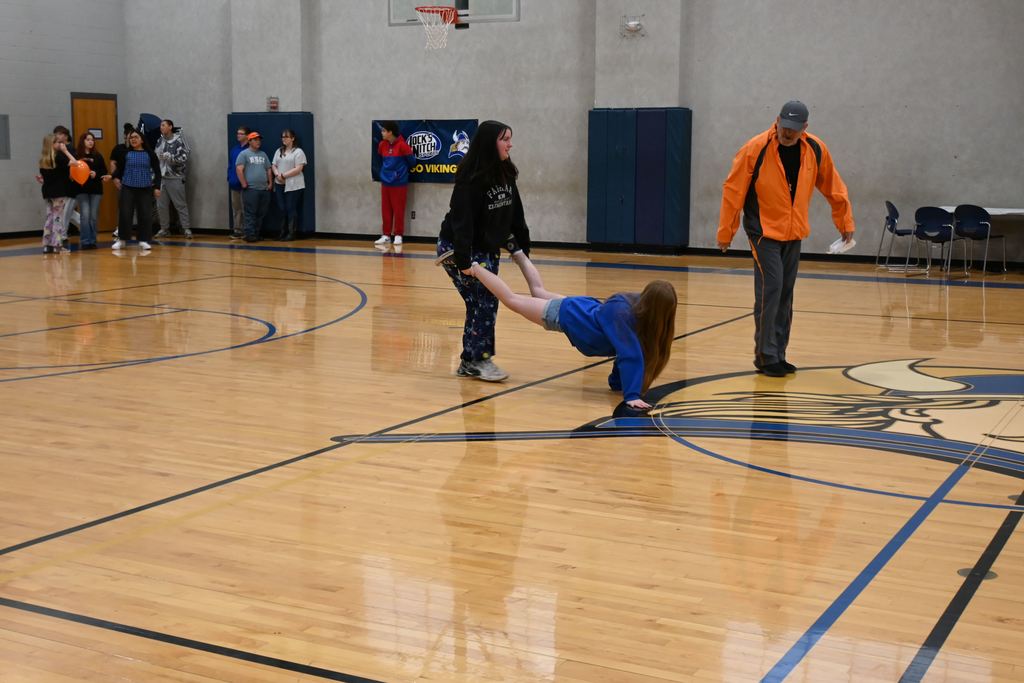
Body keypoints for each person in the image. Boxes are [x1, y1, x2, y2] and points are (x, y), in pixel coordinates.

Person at [717, 100, 855, 377]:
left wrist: (845, 223)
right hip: (762, 231)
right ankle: (765, 356)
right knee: (772, 288)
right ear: (777, 120)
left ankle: (779, 353)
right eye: (784, 126)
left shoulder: (814, 149)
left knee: (786, 292)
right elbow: (733, 191)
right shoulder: (755, 149)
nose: (787, 133)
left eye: (794, 129)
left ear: (804, 128)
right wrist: (726, 232)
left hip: (794, 232)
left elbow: (834, 188)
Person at [462, 254, 677, 410]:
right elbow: (631, 355)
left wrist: (617, 384)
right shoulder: (622, 313)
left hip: (581, 309)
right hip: (565, 314)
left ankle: (517, 251)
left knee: (538, 291)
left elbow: (625, 352)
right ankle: (473, 267)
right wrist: (630, 395)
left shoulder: (637, 314)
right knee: (512, 300)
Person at [435, 120, 532, 382]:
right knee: (486, 301)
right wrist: (464, 260)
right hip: (458, 249)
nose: (510, 144)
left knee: (479, 303)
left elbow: (515, 212)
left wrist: (522, 245)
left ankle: (470, 360)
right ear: (490, 143)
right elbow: (461, 222)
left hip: (486, 249)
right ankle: (478, 360)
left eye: (510, 138)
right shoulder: (470, 180)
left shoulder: (506, 172)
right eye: (505, 139)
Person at [111, 129, 162, 251]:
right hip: (128, 187)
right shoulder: (126, 154)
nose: (133, 139)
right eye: (131, 138)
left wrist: (157, 187)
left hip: (145, 188)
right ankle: (122, 240)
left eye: (136, 137)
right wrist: (112, 176)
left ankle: (143, 240)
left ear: (141, 139)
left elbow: (158, 172)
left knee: (145, 215)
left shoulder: (150, 154)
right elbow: (119, 170)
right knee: (125, 214)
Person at [375, 121, 415, 247]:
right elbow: (382, 161)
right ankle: (386, 235)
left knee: (398, 209)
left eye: (384, 131)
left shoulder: (403, 146)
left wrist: (398, 174)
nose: (381, 133)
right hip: (385, 183)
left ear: (390, 132)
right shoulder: (382, 145)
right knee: (385, 210)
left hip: (399, 183)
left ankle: (398, 235)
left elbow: (412, 163)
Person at [38, 133, 78, 254]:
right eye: (57, 142)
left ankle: (47, 245)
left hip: (47, 192)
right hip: (58, 192)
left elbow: (45, 177)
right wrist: (65, 151)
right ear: (51, 144)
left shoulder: (43, 160)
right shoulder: (59, 158)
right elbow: (75, 163)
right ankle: (58, 245)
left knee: (49, 217)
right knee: (57, 218)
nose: (60, 144)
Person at [154, 119, 193, 239]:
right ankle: (164, 228)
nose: (161, 127)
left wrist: (170, 157)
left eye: (163, 125)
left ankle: (186, 228)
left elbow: (185, 156)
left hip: (176, 177)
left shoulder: (179, 140)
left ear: (170, 127)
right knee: (161, 205)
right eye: (161, 125)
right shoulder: (160, 140)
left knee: (180, 204)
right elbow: (156, 156)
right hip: (162, 177)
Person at [235, 131, 273, 243]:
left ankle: (256, 233)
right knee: (250, 213)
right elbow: (239, 169)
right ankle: (249, 234)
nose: (258, 142)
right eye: (255, 140)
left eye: (259, 140)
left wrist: (270, 182)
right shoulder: (244, 154)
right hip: (251, 189)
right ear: (249, 141)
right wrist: (243, 183)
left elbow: (269, 169)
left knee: (261, 213)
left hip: (264, 189)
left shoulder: (263, 154)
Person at [73, 132, 108, 250]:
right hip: (81, 189)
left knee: (93, 216)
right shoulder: (77, 156)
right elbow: (72, 171)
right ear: (83, 141)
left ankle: (92, 240)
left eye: (92, 140)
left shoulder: (98, 156)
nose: (90, 141)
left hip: (95, 190)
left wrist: (96, 173)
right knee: (85, 215)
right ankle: (85, 241)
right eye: (88, 139)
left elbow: (104, 170)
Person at [271, 128, 307, 241]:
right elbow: (273, 165)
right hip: (279, 183)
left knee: (291, 208)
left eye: (286, 137)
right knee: (282, 208)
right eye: (282, 137)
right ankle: (282, 232)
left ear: (292, 138)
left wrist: (284, 176)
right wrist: (277, 175)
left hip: (293, 184)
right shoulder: (279, 151)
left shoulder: (298, 152)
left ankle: (292, 233)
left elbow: (299, 168)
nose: (284, 139)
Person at [107, 123, 138, 242]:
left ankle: (133, 228)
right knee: (123, 207)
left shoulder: (137, 149)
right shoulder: (118, 148)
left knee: (136, 207)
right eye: (128, 137)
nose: (130, 139)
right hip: (122, 182)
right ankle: (120, 229)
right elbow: (113, 164)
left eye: (133, 137)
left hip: (136, 182)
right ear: (125, 137)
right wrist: (115, 179)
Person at [227, 125, 250, 240]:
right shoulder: (234, 149)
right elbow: (231, 165)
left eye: (241, 133)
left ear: (247, 136)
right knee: (236, 208)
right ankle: (238, 230)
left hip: (245, 184)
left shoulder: (249, 150)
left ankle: (248, 230)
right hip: (234, 183)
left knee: (246, 208)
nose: (238, 135)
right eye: (237, 133)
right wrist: (229, 177)